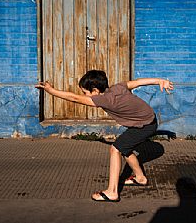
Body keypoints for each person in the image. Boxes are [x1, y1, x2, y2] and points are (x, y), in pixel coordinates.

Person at [35, 70, 173, 202]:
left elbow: (74, 98)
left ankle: (112, 192)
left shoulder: (104, 100)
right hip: (148, 120)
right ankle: (140, 178)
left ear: (95, 91)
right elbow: (137, 82)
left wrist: (51, 91)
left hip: (145, 125)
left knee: (115, 149)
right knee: (125, 147)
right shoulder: (117, 87)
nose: (84, 95)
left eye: (85, 92)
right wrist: (159, 81)